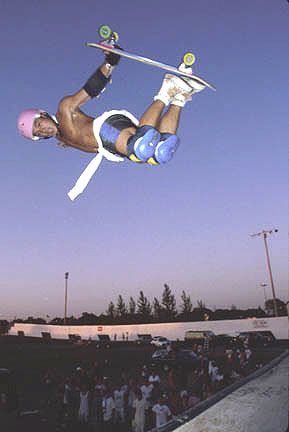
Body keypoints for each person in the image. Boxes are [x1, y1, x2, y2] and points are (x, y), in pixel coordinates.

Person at [17, 47, 205, 200]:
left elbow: (91, 89)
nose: (42, 130)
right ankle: (180, 96)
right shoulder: (62, 137)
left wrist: (110, 62)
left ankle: (167, 89)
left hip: (106, 129)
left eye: (39, 124)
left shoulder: (65, 109)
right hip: (109, 147)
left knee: (140, 147)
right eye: (38, 134)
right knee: (159, 153)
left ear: (43, 114)